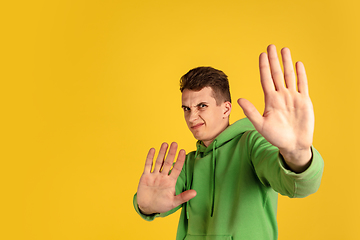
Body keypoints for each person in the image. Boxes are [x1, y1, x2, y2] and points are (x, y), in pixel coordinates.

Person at [133, 44, 324, 240]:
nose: (191, 118)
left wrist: (296, 153)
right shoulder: (188, 164)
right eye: (186, 109)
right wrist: (146, 206)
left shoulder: (252, 145)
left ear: (226, 109)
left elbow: (298, 185)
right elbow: (157, 197)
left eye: (202, 106)